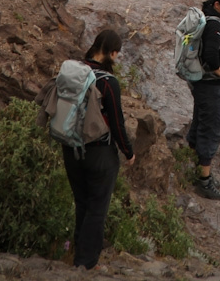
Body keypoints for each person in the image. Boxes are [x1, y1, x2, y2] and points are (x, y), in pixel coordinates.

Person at [62, 29, 135, 271]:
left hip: (70, 148)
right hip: (99, 153)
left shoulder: (74, 71)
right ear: (113, 53)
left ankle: (76, 256)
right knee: (97, 208)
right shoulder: (107, 82)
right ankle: (85, 263)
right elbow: (117, 123)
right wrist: (128, 152)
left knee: (82, 203)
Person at [187, 0, 220, 200]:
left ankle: (194, 168)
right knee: (211, 129)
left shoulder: (207, 18)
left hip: (202, 85)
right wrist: (219, 71)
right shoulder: (214, 25)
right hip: (212, 88)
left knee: (200, 123)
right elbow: (209, 54)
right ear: (217, 5)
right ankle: (204, 182)